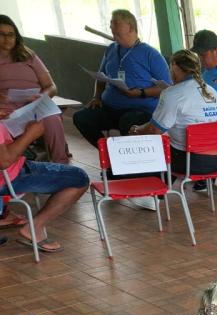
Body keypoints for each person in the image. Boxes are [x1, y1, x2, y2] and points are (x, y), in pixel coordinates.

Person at [72, 9, 170, 149]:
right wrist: (97, 96)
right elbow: (101, 77)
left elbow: (167, 88)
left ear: (131, 29)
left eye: (118, 34)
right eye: (113, 33)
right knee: (81, 117)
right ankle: (108, 152)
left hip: (140, 110)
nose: (114, 37)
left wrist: (141, 93)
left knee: (128, 122)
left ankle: (123, 156)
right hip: (109, 108)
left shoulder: (151, 54)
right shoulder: (111, 49)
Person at [128, 50, 217, 172]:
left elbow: (154, 130)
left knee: (149, 145)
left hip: (193, 162)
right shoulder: (211, 91)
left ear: (174, 66)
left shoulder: (172, 93)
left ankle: (151, 182)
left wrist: (136, 130)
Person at [0, 119, 88, 252]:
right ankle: (34, 227)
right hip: (8, 177)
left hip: (9, 174)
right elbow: (4, 161)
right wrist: (30, 134)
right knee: (80, 178)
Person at [0, 15, 70, 165]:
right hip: (7, 108)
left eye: (11, 34)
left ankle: (61, 163)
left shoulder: (27, 55)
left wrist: (42, 96)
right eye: (2, 34)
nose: (7, 39)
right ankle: (20, 159)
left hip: (35, 105)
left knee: (52, 118)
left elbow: (51, 86)